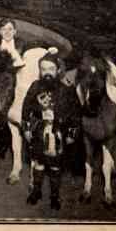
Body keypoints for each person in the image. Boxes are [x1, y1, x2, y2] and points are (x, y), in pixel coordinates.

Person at [22, 50, 80, 210]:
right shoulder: (35, 86)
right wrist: (26, 129)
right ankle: (36, 191)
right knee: (39, 164)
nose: (47, 72)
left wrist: (72, 133)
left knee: (55, 166)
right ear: (40, 71)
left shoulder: (66, 89)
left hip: (58, 134)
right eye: (44, 69)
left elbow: (75, 114)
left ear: (58, 70)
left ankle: (55, 196)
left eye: (51, 69)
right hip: (39, 132)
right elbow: (26, 108)